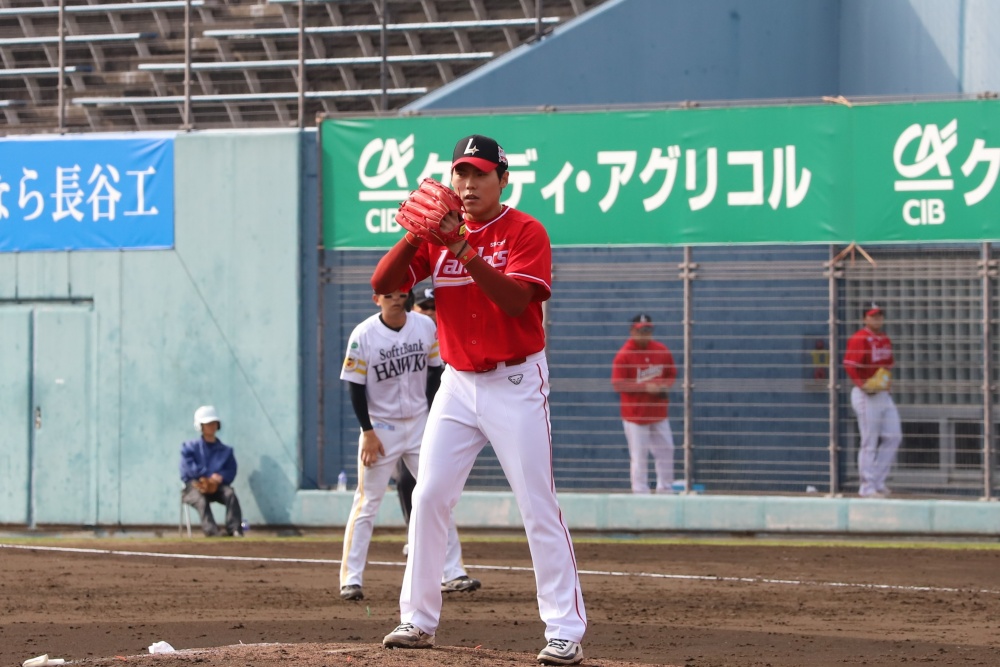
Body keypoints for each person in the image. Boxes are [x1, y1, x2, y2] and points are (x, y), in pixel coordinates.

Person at [372, 134, 587, 666]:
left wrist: (462, 248)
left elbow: (515, 301)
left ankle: (565, 630)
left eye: (480, 174)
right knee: (428, 497)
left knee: (537, 504)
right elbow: (383, 281)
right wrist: (414, 235)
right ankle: (417, 620)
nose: (468, 184)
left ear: (502, 179)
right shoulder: (437, 235)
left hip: (516, 383)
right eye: (461, 173)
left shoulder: (525, 231)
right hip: (458, 383)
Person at [339, 289, 481, 601]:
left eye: (401, 293)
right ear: (376, 298)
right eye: (388, 294)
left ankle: (453, 572)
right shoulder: (363, 334)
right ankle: (351, 578)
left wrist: (433, 417)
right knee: (367, 503)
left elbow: (436, 374)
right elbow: (354, 386)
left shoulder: (425, 326)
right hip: (381, 428)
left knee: (439, 495)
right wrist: (367, 431)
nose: (395, 298)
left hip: (419, 424)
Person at [611, 313, 678, 494]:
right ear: (632, 331)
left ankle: (665, 489)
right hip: (636, 415)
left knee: (666, 450)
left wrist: (663, 385)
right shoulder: (624, 355)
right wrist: (644, 387)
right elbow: (618, 384)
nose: (644, 334)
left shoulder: (661, 350)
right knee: (639, 456)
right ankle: (640, 492)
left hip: (658, 412)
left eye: (648, 330)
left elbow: (671, 373)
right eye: (640, 331)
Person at [844, 302, 902, 498]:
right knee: (870, 440)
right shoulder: (859, 338)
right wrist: (862, 385)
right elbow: (850, 365)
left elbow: (887, 366)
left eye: (879, 316)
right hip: (866, 395)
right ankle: (867, 487)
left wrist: (886, 384)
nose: (877, 319)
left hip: (883, 393)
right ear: (865, 318)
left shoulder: (884, 339)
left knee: (893, 436)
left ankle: (878, 481)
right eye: (873, 316)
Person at [180, 405, 243, 537]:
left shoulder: (226, 451)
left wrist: (220, 478)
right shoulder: (189, 448)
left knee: (230, 494)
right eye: (208, 424)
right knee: (201, 500)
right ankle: (212, 532)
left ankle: (235, 530)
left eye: (214, 423)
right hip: (193, 487)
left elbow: (231, 471)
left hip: (217, 487)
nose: (212, 426)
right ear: (200, 426)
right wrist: (207, 477)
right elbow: (188, 469)